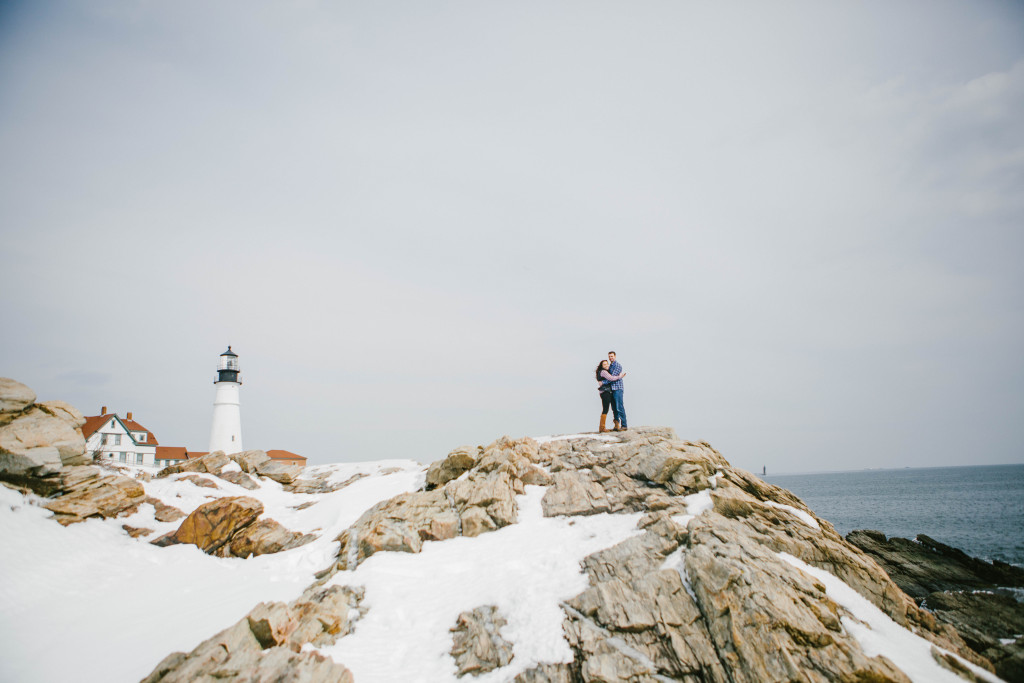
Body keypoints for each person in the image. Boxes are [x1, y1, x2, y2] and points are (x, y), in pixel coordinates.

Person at [595, 360, 626, 432]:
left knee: (610, 408)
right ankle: (602, 427)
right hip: (605, 392)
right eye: (604, 364)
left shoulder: (604, 371)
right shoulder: (603, 372)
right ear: (602, 366)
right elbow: (611, 378)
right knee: (605, 409)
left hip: (606, 391)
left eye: (607, 364)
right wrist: (620, 376)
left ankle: (614, 425)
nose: (606, 365)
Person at [607, 351, 627, 431]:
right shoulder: (610, 366)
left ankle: (624, 425)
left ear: (615, 356)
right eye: (609, 356)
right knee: (614, 408)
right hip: (612, 389)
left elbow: (611, 378)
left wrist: (603, 382)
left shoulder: (617, 366)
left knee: (619, 407)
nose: (610, 358)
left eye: (612, 356)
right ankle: (617, 425)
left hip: (618, 388)